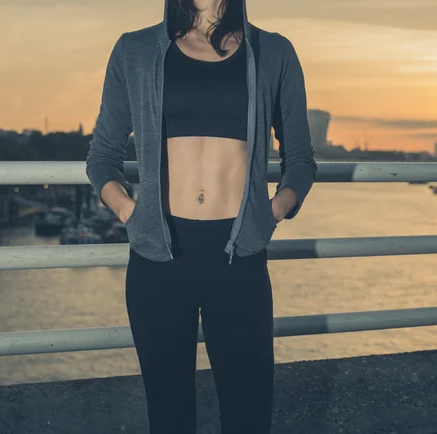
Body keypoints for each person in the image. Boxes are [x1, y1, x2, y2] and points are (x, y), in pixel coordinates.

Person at [86, 0, 317, 432]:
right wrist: (129, 212)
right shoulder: (134, 51)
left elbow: (300, 160)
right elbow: (102, 156)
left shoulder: (273, 52)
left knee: (248, 415)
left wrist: (270, 214)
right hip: (158, 259)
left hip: (239, 257)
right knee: (169, 417)